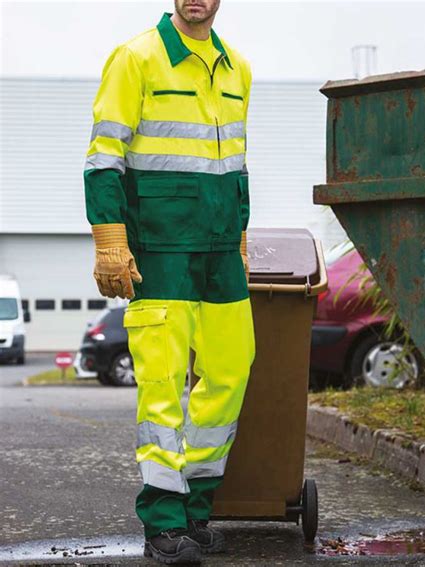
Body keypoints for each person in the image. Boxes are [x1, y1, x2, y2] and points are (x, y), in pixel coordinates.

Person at [83, 0, 255, 564]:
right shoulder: (136, 58)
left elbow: (236, 162)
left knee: (230, 372)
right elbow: (104, 156)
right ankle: (162, 520)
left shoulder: (237, 68)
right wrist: (111, 239)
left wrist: (240, 234)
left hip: (219, 251)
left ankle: (196, 508)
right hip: (160, 250)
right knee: (161, 385)